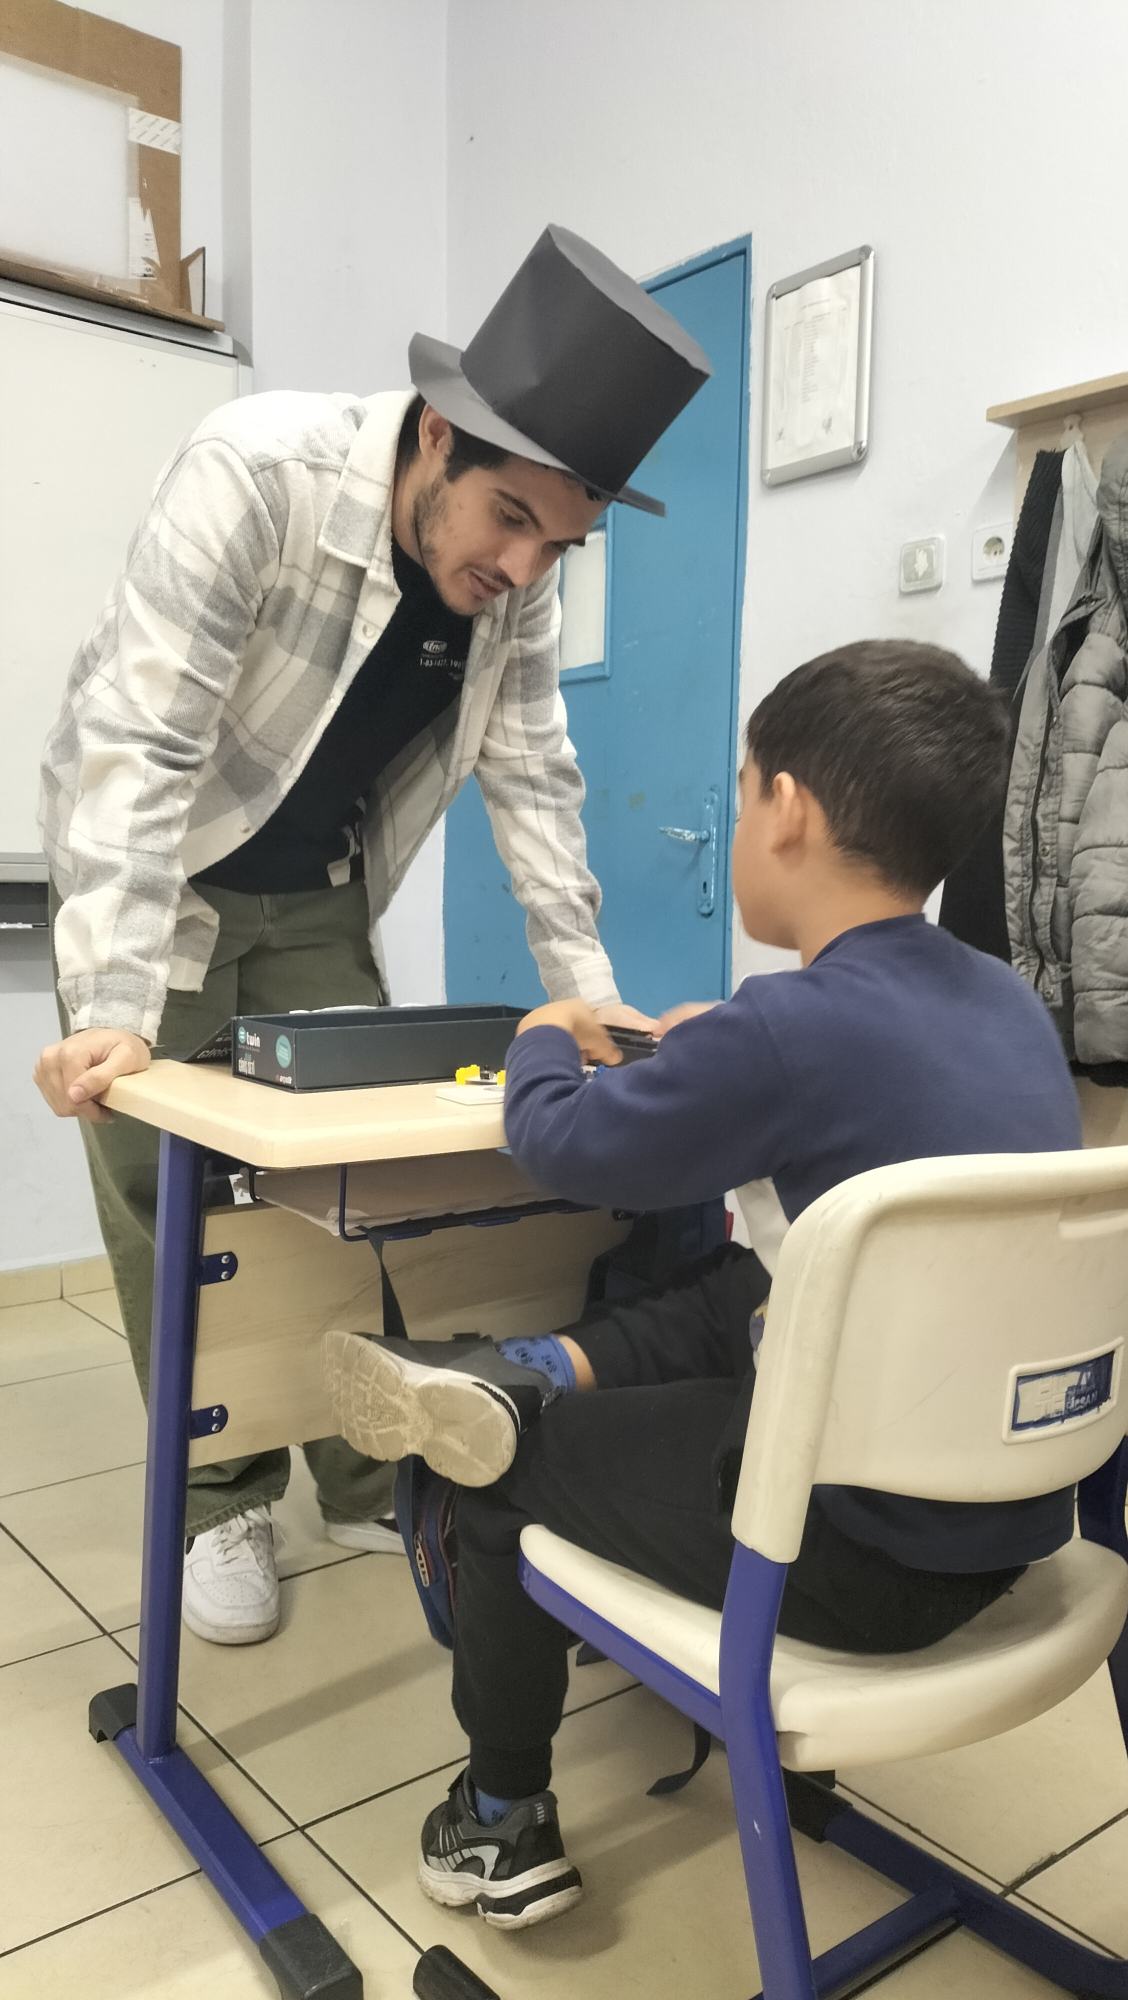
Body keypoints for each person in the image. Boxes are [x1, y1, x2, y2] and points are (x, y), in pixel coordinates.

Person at [324, 639, 1083, 1930]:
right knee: (751, 1282)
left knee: (491, 1478)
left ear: (787, 807)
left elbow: (563, 1142)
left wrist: (541, 1036)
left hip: (857, 1559)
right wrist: (717, 1043)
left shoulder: (787, 1030)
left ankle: (500, 1824)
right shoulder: (1005, 1004)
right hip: (1008, 1529)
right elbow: (821, 1077)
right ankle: (530, 1367)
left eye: (741, 789)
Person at [32, 224, 711, 1647]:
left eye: (559, 542)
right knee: (168, 1195)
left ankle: (357, 1465)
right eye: (508, 520)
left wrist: (587, 996)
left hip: (317, 893)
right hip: (162, 879)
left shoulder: (522, 579)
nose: (524, 566)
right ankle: (219, 1499)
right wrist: (112, 1001)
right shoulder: (254, 476)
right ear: (437, 438)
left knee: (344, 1185)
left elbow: (534, 777)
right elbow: (140, 744)